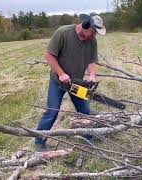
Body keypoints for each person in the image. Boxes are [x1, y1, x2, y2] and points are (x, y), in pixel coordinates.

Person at [34, 13, 106, 151]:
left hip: (77, 83)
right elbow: (49, 56)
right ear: (85, 25)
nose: (94, 36)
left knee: (85, 110)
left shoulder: (92, 41)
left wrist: (92, 75)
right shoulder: (63, 32)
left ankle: (88, 137)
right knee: (52, 112)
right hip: (58, 82)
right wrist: (61, 74)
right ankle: (39, 141)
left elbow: (91, 60)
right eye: (93, 32)